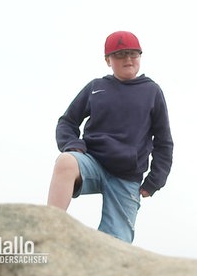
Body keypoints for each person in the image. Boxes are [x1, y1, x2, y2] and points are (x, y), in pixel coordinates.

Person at [47, 30, 174, 243]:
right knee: (65, 162)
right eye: (120, 54)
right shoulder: (96, 87)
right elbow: (67, 122)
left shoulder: (152, 91)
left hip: (127, 176)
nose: (128, 59)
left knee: (116, 244)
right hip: (93, 163)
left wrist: (155, 180)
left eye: (133, 53)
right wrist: (73, 145)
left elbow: (164, 142)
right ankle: (48, 228)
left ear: (140, 56)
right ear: (108, 60)